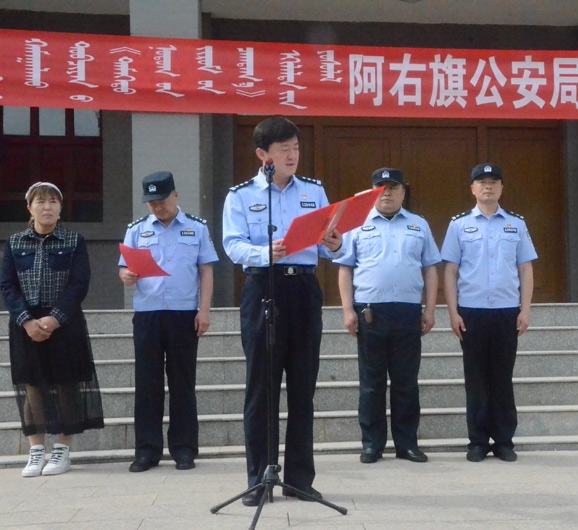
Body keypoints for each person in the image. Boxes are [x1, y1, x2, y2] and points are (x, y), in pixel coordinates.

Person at [222, 116, 343, 506]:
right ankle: (260, 479)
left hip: (304, 289)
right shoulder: (241, 195)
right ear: (263, 154)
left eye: (296, 148)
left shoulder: (313, 191)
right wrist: (264, 252)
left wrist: (335, 244)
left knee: (303, 389)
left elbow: (325, 245)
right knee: (262, 390)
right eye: (284, 149)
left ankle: (299, 480)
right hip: (263, 289)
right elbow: (233, 245)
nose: (293, 155)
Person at [335, 167, 441, 465]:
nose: (387, 193)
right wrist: (347, 310)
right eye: (381, 188)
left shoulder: (419, 225)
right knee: (371, 382)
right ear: (372, 192)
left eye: (393, 188)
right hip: (371, 312)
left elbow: (430, 268)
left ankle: (407, 444)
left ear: (403, 193)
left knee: (406, 382)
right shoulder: (357, 224)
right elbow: (345, 268)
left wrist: (430, 309)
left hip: (408, 312)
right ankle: (372, 444)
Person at [0, 182, 104, 477]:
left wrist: (55, 318)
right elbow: (7, 285)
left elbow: (79, 284)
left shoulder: (74, 241)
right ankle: (36, 450)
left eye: (53, 202)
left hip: (64, 322)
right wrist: (26, 320)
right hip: (26, 324)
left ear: (60, 208)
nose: (47, 207)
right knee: (32, 385)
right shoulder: (15, 243)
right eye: (40, 201)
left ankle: (62, 449)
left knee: (67, 383)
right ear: (29, 208)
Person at [118, 171, 218, 473]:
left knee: (182, 382)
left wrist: (204, 310)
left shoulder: (196, 228)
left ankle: (184, 449)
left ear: (175, 195)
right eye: (152, 203)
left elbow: (206, 271)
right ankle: (147, 451)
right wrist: (126, 276)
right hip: (148, 314)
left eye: (162, 200)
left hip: (184, 313)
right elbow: (124, 269)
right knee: (147, 383)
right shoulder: (137, 230)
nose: (157, 207)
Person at [440, 163, 537, 463]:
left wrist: (525, 310)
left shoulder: (516, 224)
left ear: (502, 188)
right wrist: (453, 312)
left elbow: (525, 269)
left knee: (502, 377)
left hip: (507, 311)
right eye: (481, 182)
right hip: (472, 312)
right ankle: (478, 441)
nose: (488, 186)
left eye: (494, 181)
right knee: (476, 378)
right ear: (472, 189)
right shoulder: (459, 225)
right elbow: (450, 271)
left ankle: (504, 440)